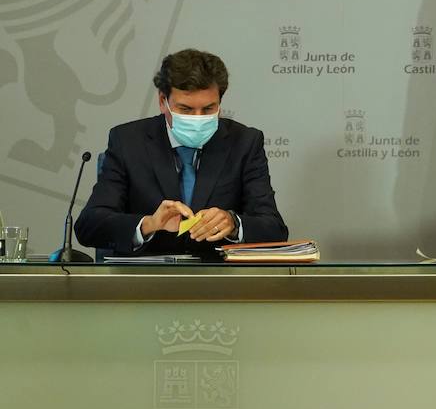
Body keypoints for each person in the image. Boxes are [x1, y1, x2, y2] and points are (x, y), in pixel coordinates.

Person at [76, 49, 287, 256]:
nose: (197, 118)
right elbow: (89, 225)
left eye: (208, 109)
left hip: (220, 284)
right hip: (144, 283)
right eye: (185, 109)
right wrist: (148, 224)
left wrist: (233, 224)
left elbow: (275, 229)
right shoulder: (128, 141)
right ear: (162, 102)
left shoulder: (245, 142)